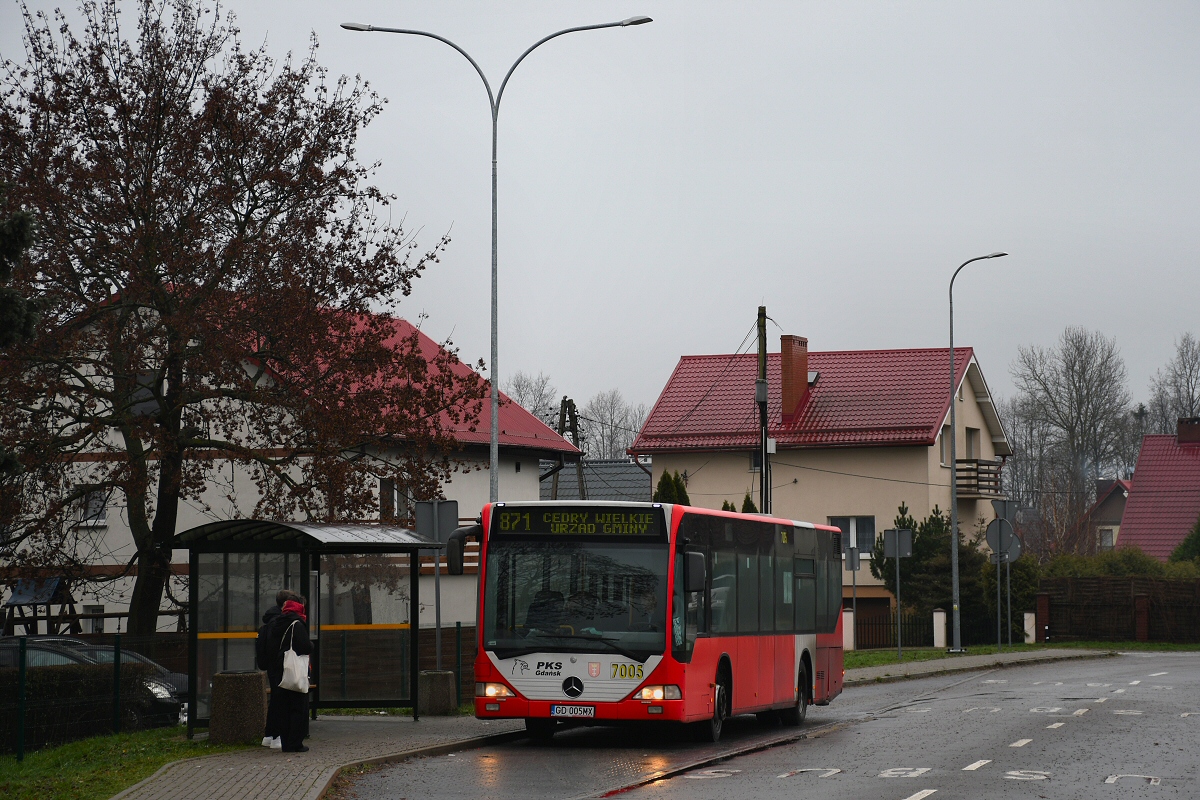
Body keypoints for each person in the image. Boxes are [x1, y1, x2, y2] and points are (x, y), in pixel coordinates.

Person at [267, 594, 313, 753]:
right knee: (298, 708)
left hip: (280, 671)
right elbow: (305, 647)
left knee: (284, 709)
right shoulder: (296, 624)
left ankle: (286, 743)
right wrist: (311, 645)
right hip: (294, 672)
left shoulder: (276, 623)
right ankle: (295, 743)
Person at [256, 589, 297, 749]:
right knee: (280, 701)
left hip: (272, 666)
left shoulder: (269, 620)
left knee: (276, 700)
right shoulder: (279, 622)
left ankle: (270, 734)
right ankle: (277, 735)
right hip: (279, 666)